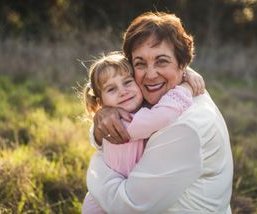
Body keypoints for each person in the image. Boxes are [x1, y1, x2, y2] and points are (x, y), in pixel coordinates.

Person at [87, 12, 233, 213]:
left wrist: (97, 165)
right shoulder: (165, 93)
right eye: (140, 63)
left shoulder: (182, 126)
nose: (151, 74)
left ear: (183, 64)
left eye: (161, 61)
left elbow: (129, 206)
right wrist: (102, 119)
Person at [82, 52, 196, 213]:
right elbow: (162, 115)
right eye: (111, 89)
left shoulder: (139, 113)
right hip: (102, 205)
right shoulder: (123, 122)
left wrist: (186, 72)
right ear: (101, 103)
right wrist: (186, 87)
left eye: (128, 82)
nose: (123, 91)